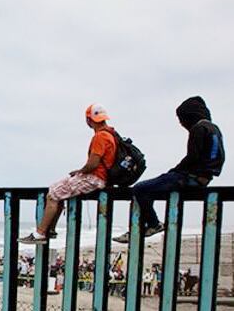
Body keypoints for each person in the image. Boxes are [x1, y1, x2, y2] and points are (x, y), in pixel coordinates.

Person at [115, 96, 225, 243]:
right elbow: (219, 158)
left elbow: (192, 157)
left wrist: (174, 171)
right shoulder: (214, 129)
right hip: (204, 178)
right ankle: (148, 224)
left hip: (189, 177)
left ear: (190, 115)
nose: (181, 123)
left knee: (141, 188)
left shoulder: (198, 129)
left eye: (181, 118)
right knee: (154, 185)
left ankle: (153, 224)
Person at [20, 104, 118, 244]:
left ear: (88, 120)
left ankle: (40, 233)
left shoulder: (100, 137)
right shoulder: (110, 134)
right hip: (100, 178)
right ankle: (51, 229)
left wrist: (80, 171)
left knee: (53, 195)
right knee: (56, 189)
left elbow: (93, 164)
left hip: (95, 178)